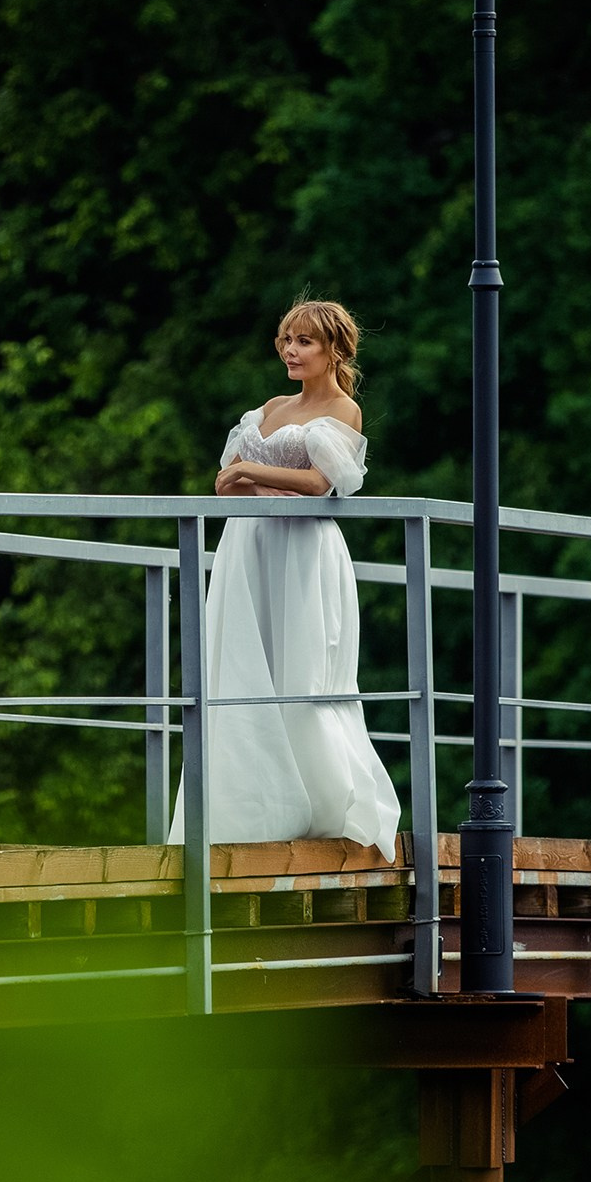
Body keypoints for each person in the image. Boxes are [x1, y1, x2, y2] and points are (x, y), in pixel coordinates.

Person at [168, 299, 401, 851]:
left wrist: (250, 470)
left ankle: (320, 801)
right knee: (241, 667)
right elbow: (226, 483)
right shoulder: (270, 407)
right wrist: (245, 480)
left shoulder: (344, 411)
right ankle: (243, 811)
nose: (290, 352)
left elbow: (322, 482)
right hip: (248, 545)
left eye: (304, 342)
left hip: (302, 550)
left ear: (334, 350)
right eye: (286, 341)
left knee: (301, 669)